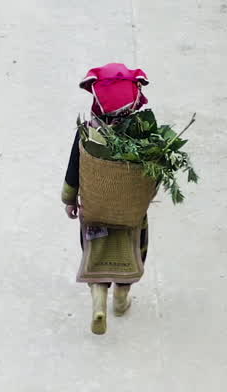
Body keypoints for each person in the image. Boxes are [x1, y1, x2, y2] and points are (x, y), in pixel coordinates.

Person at [62, 63, 152, 335]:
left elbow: (73, 170)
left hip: (95, 210)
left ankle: (99, 301)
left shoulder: (88, 134)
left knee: (96, 252)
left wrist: (69, 199)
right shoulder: (145, 137)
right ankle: (122, 298)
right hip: (130, 215)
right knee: (134, 249)